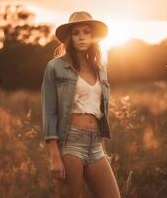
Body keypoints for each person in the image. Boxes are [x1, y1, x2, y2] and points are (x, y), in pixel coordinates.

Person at [41, 11, 121, 198]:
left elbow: (98, 111)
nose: (82, 37)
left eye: (86, 32)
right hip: (70, 142)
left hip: (95, 145)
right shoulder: (55, 67)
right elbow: (49, 111)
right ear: (70, 37)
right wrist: (54, 156)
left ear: (93, 37)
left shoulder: (99, 68)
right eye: (76, 33)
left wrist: (101, 146)